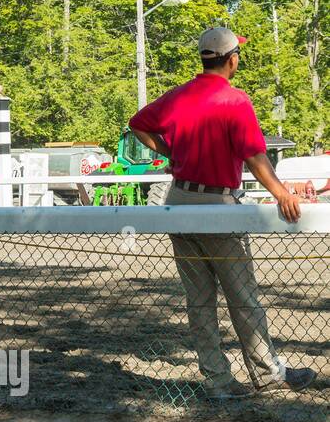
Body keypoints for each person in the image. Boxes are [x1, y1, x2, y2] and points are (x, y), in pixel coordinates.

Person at [129, 26, 316, 398]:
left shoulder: (178, 97)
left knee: (199, 300)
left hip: (179, 201)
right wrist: (280, 191)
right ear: (232, 60)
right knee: (242, 296)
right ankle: (266, 374)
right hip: (218, 205)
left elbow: (138, 125)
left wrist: (170, 153)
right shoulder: (235, 101)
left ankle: (217, 381)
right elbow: (254, 154)